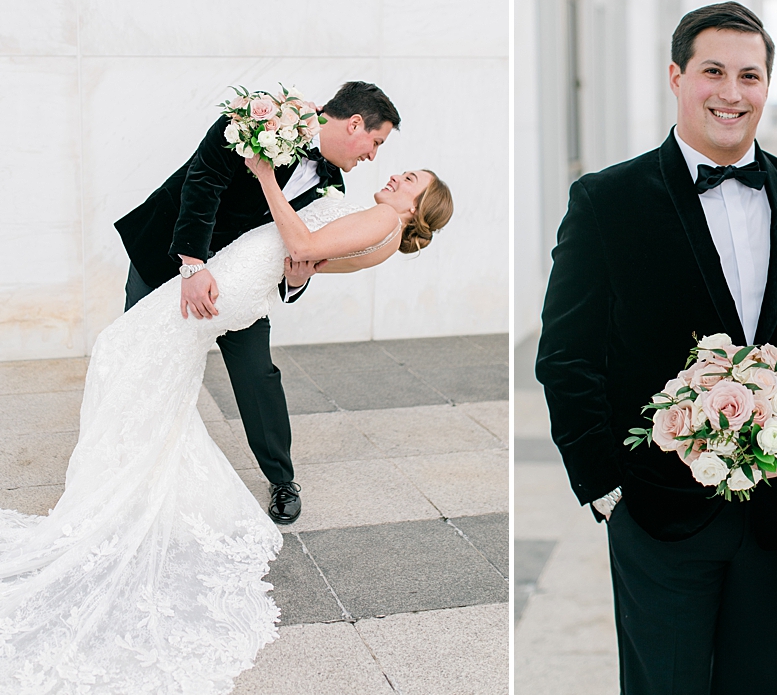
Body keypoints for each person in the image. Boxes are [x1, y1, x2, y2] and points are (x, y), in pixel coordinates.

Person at [0, 163, 453, 691]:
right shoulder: (379, 228)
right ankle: (131, 480)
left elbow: (303, 240)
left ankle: (141, 485)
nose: (393, 172)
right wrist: (297, 269)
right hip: (236, 271)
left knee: (123, 352)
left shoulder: (380, 217)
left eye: (410, 180)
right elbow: (305, 260)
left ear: (420, 206)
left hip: (233, 282)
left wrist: (264, 178)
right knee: (136, 361)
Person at [535, 1, 777, 694]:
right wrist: (606, 488)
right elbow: (566, 355)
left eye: (750, 76)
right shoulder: (606, 199)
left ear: (767, 85)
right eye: (714, 72)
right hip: (657, 513)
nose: (732, 93)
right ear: (677, 76)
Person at [114, 80, 401, 526]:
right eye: (376, 142)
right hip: (169, 251)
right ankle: (125, 463)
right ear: (356, 123)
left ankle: (282, 480)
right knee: (138, 356)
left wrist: (295, 280)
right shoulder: (260, 116)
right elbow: (203, 180)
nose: (373, 156)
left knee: (257, 375)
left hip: (239, 286)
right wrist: (192, 266)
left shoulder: (332, 189)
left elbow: (292, 248)